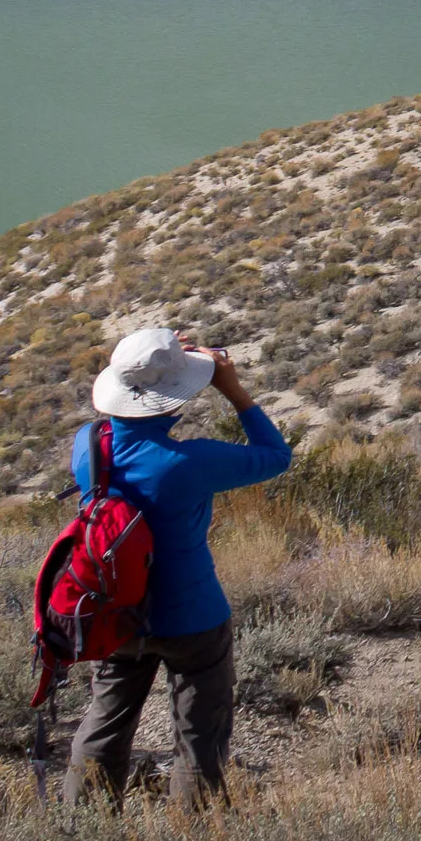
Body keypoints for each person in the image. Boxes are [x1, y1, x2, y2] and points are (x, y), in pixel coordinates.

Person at [62, 326, 291, 809]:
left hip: (117, 611)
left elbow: (125, 423)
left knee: (105, 723)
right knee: (198, 737)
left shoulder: (88, 446)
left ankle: (82, 830)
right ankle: (195, 831)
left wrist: (158, 367)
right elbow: (276, 456)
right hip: (192, 614)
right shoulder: (190, 460)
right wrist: (231, 389)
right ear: (172, 398)